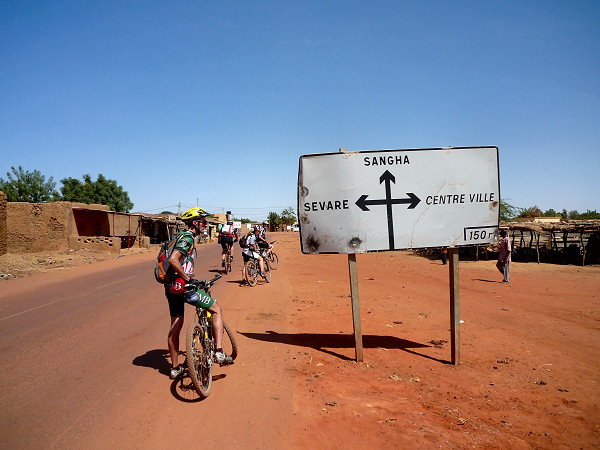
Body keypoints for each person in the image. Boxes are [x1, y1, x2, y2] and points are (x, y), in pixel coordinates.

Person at [165, 207, 233, 379]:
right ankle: (218, 351)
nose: (206, 224)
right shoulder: (187, 237)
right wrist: (187, 278)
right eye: (203, 221)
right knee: (216, 309)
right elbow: (173, 259)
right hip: (184, 286)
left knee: (176, 325)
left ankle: (175, 368)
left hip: (171, 287)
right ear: (195, 223)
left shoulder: (178, 237)